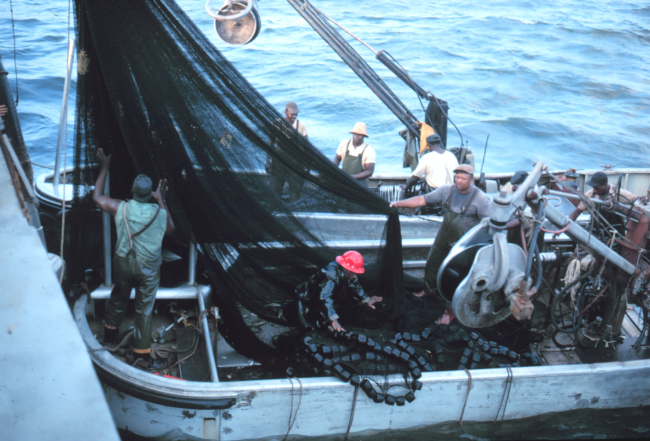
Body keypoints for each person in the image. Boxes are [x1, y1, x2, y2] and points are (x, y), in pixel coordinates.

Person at [93, 148, 175, 367]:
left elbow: (98, 196)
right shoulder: (159, 213)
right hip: (148, 269)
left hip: (122, 264)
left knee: (118, 296)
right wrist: (161, 201)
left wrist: (105, 167)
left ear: (131, 190)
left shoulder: (120, 207)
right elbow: (170, 229)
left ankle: (110, 336)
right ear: (150, 194)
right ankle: (141, 354)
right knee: (144, 309)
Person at [391, 164, 490, 296]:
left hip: (464, 243)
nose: (459, 181)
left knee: (456, 272)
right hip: (444, 235)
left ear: (471, 179)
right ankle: (429, 289)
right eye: (457, 177)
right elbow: (422, 200)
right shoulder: (446, 190)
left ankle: (452, 299)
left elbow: (487, 225)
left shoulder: (481, 199)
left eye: (463, 179)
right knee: (433, 262)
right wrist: (398, 204)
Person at [295, 251, 382, 332]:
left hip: (325, 296)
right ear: (346, 268)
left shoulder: (349, 274)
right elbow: (325, 297)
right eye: (353, 272)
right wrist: (334, 319)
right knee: (307, 327)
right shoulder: (330, 274)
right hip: (307, 297)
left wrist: (366, 299)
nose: (355, 276)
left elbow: (354, 285)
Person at [266, 101, 308, 202]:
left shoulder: (301, 126)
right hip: (279, 160)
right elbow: (271, 142)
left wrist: (307, 163)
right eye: (292, 113)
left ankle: (294, 211)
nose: (294, 116)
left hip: (295, 162)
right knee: (275, 186)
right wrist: (268, 160)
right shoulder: (277, 124)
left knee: (296, 189)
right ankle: (275, 208)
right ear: (285, 112)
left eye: (296, 114)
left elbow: (307, 146)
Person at [568, 171, 637, 221]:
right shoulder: (590, 194)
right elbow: (577, 211)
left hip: (616, 231)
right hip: (596, 229)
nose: (594, 190)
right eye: (593, 188)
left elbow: (636, 200)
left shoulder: (617, 192)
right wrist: (566, 224)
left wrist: (641, 199)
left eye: (597, 188)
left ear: (604, 185)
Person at [333, 122, 376, 186]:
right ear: (352, 134)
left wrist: (351, 178)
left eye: (360, 135)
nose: (357, 137)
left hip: (360, 185)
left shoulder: (369, 150)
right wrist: (333, 169)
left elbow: (369, 171)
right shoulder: (344, 144)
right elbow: (337, 159)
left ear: (363, 136)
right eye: (355, 134)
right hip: (344, 181)